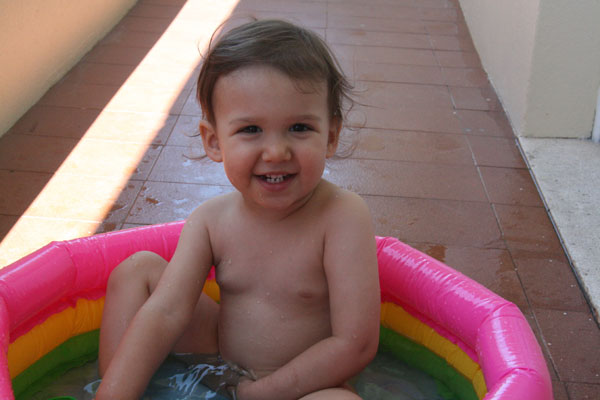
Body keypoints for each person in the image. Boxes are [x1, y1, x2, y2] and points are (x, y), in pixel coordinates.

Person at [95, 19, 380, 400]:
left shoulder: (342, 216)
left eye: (299, 128)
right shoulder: (211, 220)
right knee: (137, 271)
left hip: (306, 386)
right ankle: (115, 391)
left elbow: (355, 344)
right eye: (250, 130)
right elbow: (167, 312)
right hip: (220, 365)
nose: (276, 152)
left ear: (330, 136)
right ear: (214, 141)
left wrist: (263, 393)